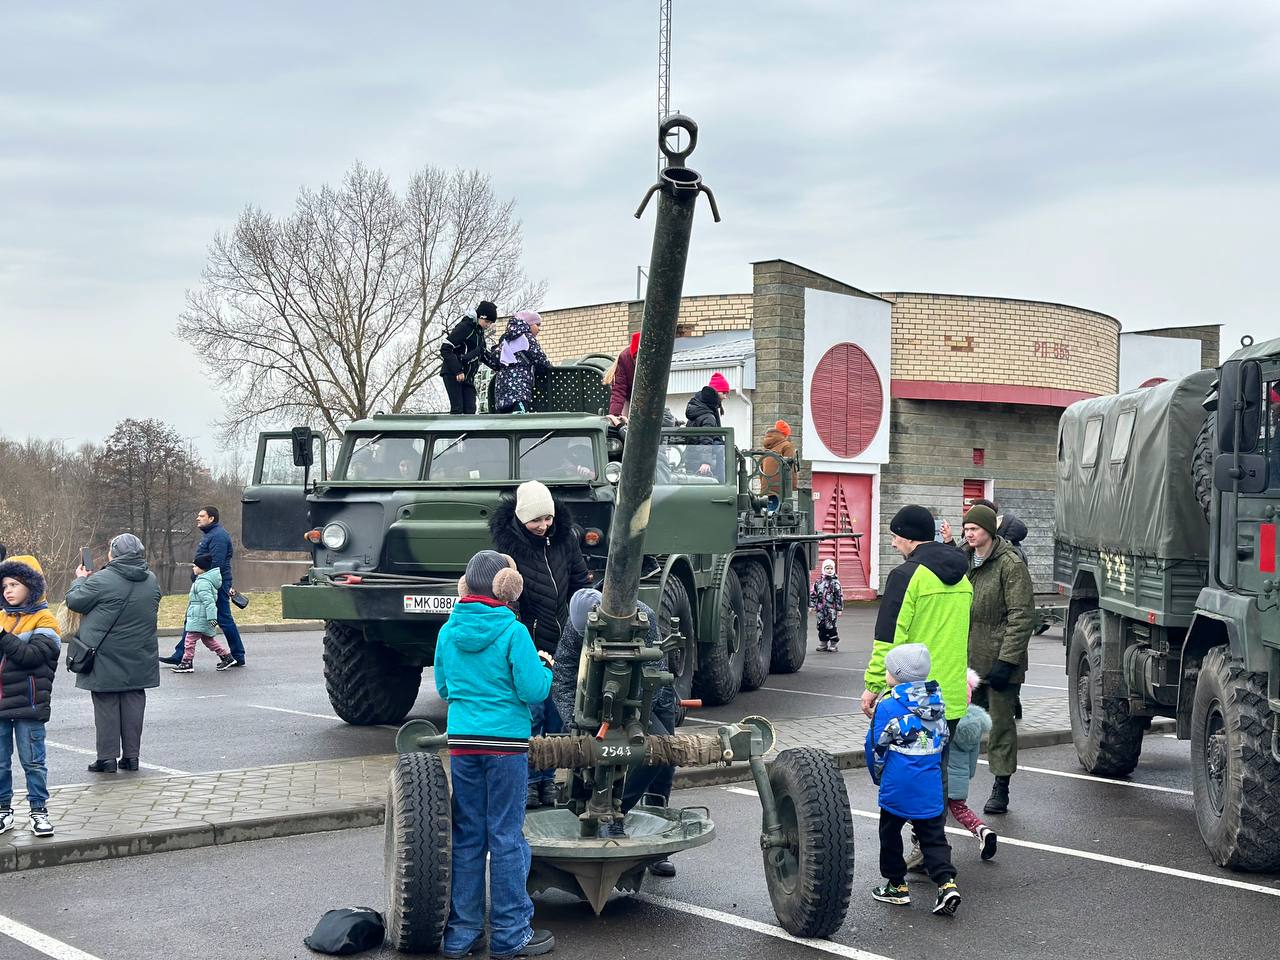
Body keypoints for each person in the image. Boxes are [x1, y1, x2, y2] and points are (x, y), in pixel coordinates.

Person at [434, 550, 555, 960]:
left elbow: (445, 689)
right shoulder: (513, 631)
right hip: (506, 746)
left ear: (465, 586)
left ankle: (463, 933)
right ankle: (510, 932)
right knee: (505, 835)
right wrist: (546, 668)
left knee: (468, 834)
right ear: (507, 586)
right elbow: (534, 692)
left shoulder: (448, 632)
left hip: (463, 742)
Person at [552, 588, 677, 875]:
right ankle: (600, 814)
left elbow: (655, 666)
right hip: (597, 703)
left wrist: (635, 715)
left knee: (663, 755)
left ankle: (654, 846)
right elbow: (563, 673)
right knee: (598, 756)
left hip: (649, 698)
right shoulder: (577, 626)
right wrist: (575, 717)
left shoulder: (641, 616)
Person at [490, 480, 592, 808]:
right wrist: (520, 638)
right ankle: (532, 782)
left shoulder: (565, 540)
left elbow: (578, 581)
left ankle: (548, 780)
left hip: (563, 639)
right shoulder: (509, 551)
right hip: (532, 642)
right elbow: (510, 597)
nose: (543, 525)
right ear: (521, 519)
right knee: (532, 713)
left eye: (547, 518)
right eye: (536, 520)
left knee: (556, 715)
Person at [865, 644, 960, 916]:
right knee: (933, 836)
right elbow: (944, 742)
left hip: (899, 784)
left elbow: (875, 747)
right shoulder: (938, 704)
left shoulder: (888, 706)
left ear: (896, 675)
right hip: (929, 784)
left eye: (888, 671)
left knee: (890, 832)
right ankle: (946, 883)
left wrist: (878, 776)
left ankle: (896, 885)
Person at [960, 503, 1034, 815]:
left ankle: (1000, 786)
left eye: (973, 529)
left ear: (989, 531)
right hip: (969, 659)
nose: (968, 534)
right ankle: (954, 788)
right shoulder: (963, 559)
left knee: (1001, 726)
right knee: (962, 725)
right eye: (966, 529)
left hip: (1002, 661)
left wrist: (1007, 660)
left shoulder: (1009, 564)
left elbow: (1022, 616)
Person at [66, 533, 162, 774]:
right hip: (139, 653)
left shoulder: (102, 579)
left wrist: (80, 579)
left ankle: (107, 759)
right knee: (133, 703)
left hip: (105, 655)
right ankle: (131, 758)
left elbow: (74, 601)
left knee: (106, 704)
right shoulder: (151, 579)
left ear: (114, 554)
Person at [0, 555, 61, 838]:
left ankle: (39, 811)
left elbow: (32, 657)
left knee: (33, 762)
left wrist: (2, 636)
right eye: (4, 585)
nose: (8, 590)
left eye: (14, 583)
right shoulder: (2, 616)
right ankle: (4, 811)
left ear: (31, 586)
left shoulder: (46, 620)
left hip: (29, 705)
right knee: (0, 762)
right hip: (1, 704)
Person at [163, 507, 244, 667]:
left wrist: (200, 578)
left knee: (223, 619)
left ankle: (237, 655)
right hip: (206, 582)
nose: (197, 519)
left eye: (201, 516)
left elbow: (216, 564)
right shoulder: (210, 535)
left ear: (211, 518)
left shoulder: (218, 536)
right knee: (193, 616)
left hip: (215, 583)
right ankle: (180, 654)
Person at [946, 669, 997, 860]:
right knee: (960, 810)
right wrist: (967, 776)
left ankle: (932, 850)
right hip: (960, 780)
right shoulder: (974, 723)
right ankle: (982, 830)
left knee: (928, 816)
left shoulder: (946, 721)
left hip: (940, 779)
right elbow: (972, 758)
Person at [172, 552, 236, 674]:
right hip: (201, 616)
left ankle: (187, 662)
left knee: (189, 640)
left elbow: (210, 602)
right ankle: (226, 657)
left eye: (195, 566)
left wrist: (212, 618)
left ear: (202, 569)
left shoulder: (203, 583)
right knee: (208, 640)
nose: (193, 568)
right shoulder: (202, 580)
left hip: (201, 617)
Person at [441, 301, 500, 415]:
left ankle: (468, 431)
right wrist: (458, 370)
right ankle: (454, 432)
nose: (488, 325)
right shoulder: (465, 327)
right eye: (486, 321)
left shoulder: (480, 334)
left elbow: (482, 354)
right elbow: (446, 348)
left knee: (470, 410)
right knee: (458, 409)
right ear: (479, 316)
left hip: (468, 377)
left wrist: (499, 366)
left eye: (490, 323)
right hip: (453, 373)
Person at [493, 311, 551, 414]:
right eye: (537, 324)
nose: (539, 329)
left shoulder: (506, 339)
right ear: (528, 324)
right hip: (519, 390)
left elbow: (496, 360)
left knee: (505, 424)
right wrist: (548, 368)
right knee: (520, 421)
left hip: (502, 392)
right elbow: (540, 359)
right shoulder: (527, 338)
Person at [684, 372, 731, 478]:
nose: (725, 396)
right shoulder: (708, 415)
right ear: (716, 393)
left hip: (693, 458)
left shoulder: (698, 408)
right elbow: (706, 438)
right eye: (724, 393)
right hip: (704, 463)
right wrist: (706, 462)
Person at [759, 419, 797, 503]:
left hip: (767, 489)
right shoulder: (787, 446)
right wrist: (793, 486)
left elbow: (760, 469)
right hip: (781, 488)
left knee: (769, 513)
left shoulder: (766, 448)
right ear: (785, 434)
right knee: (781, 514)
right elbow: (789, 467)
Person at [810, 559, 844, 653]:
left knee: (831, 627)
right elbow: (813, 594)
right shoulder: (818, 582)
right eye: (827, 568)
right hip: (820, 610)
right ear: (823, 569)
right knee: (821, 626)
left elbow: (839, 596)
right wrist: (811, 605)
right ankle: (823, 643)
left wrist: (839, 609)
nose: (829, 570)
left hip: (831, 610)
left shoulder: (835, 583)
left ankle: (833, 644)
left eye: (831, 568)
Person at [607, 332, 642, 420]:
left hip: (648, 398)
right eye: (635, 358)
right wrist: (614, 415)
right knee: (625, 421)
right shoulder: (624, 358)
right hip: (628, 396)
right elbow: (619, 389)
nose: (637, 362)